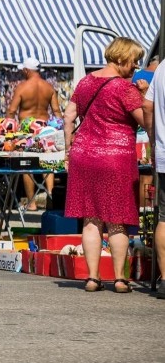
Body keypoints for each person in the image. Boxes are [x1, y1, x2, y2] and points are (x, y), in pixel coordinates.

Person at [64, 37, 145, 294]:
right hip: (115, 157)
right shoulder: (125, 88)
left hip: (84, 155)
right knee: (117, 221)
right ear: (121, 58)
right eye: (134, 61)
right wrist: (143, 95)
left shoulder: (86, 81)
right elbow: (145, 119)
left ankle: (92, 278)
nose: (136, 66)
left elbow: (68, 116)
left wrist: (68, 150)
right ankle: (120, 279)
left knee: (91, 219)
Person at [6, 56, 62, 211]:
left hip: (27, 128)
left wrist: (9, 131)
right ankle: (51, 196)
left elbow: (11, 111)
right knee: (47, 162)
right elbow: (57, 111)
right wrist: (61, 131)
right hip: (46, 128)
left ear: (26, 70)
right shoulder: (49, 87)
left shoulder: (22, 87)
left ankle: (31, 203)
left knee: (27, 164)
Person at [141, 56, 165, 299]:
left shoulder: (162, 68)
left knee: (164, 218)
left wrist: (152, 137)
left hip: (164, 153)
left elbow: (147, 106)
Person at [134, 55, 159, 206]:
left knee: (143, 175)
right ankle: (149, 213)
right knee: (150, 176)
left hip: (137, 130)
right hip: (151, 129)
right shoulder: (160, 75)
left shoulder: (136, 76)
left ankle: (143, 215)